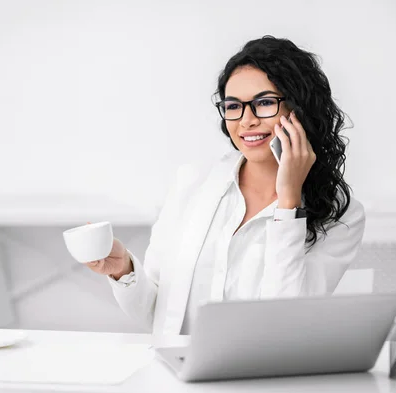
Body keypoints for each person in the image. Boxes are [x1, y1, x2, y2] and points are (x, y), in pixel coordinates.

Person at [86, 35, 365, 335]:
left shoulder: (342, 215)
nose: (246, 120)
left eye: (265, 103)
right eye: (234, 106)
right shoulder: (192, 181)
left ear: (300, 109)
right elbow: (156, 313)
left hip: (261, 378)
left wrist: (288, 203)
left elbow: (285, 322)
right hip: (180, 375)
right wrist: (122, 270)